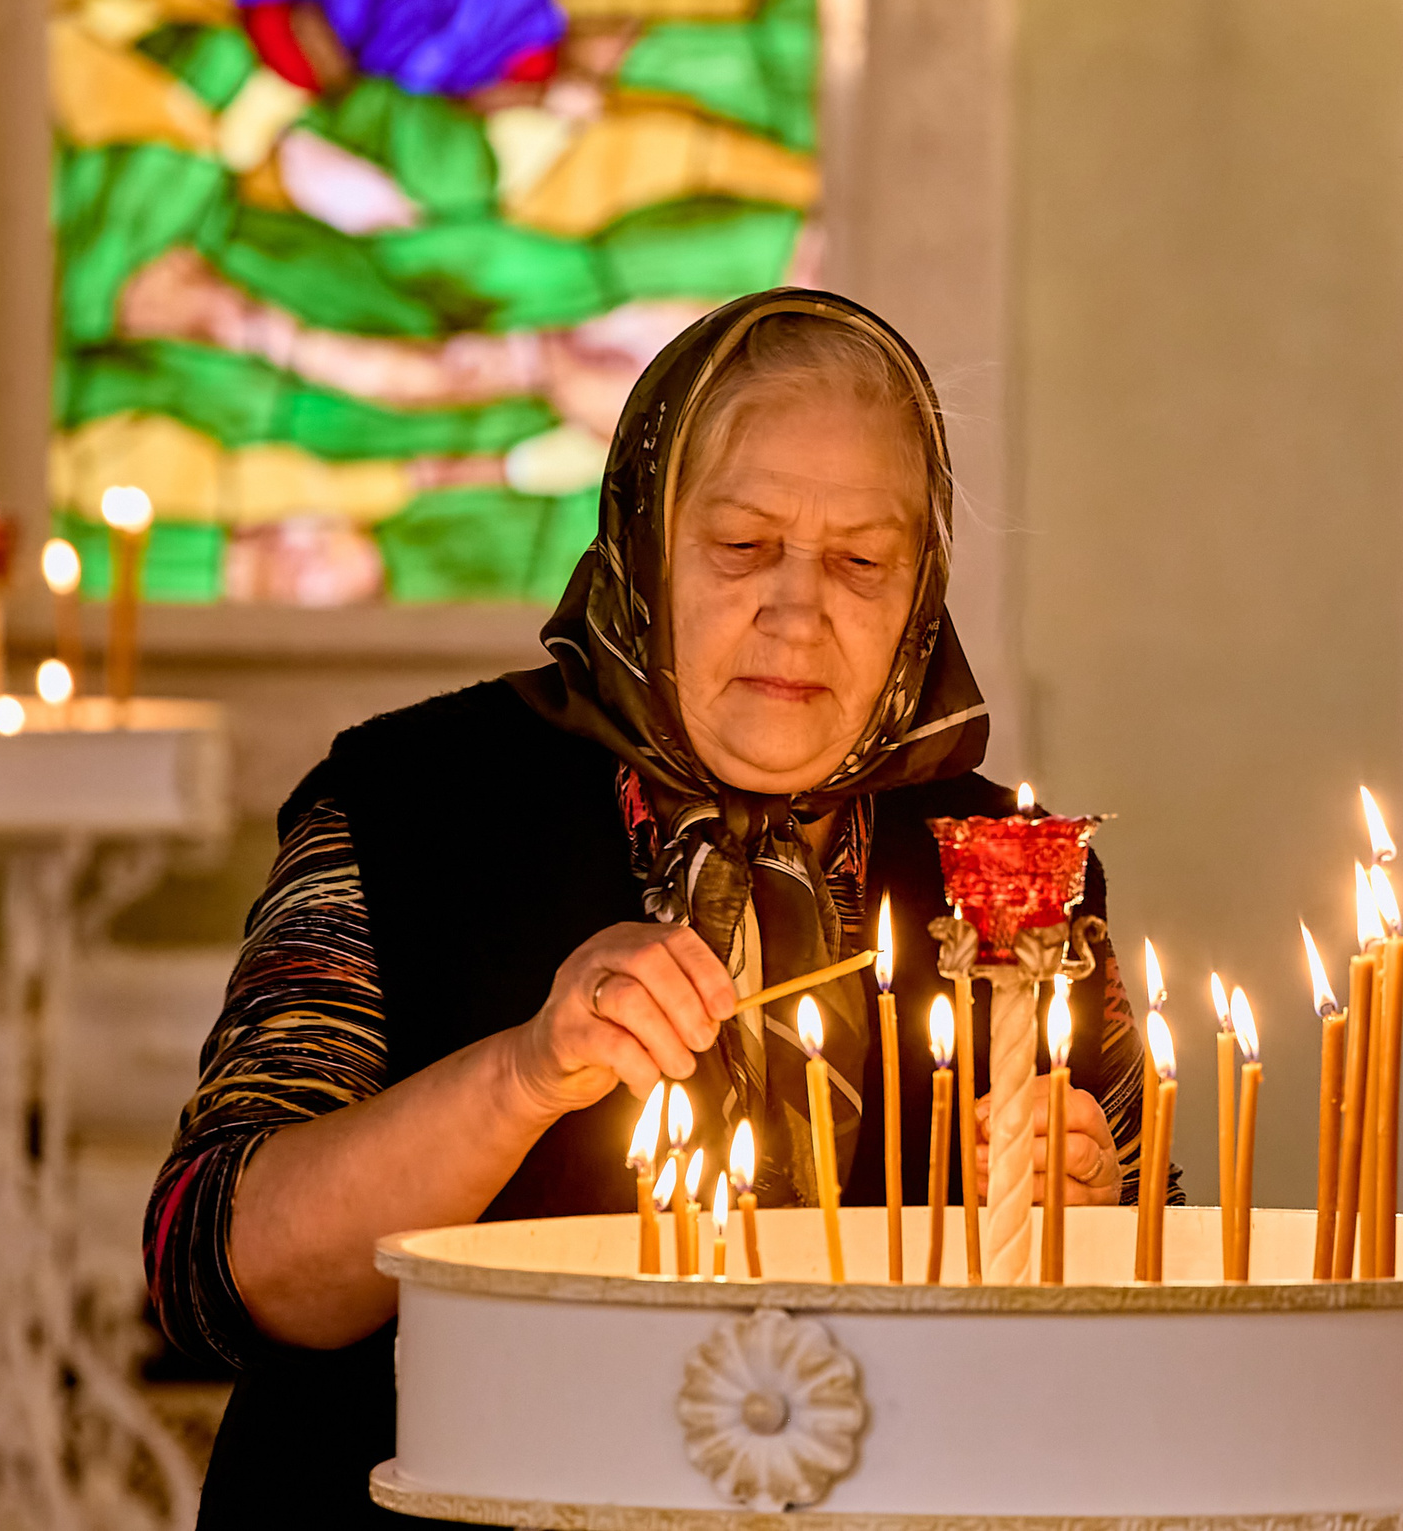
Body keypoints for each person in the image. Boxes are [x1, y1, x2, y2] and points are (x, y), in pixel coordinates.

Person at [145, 289, 1172, 1527]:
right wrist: (523, 1074)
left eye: (860, 562)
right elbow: (215, 1272)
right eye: (740, 547)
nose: (798, 612)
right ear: (640, 543)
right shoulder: (407, 804)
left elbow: (1148, 1330)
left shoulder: (1008, 866)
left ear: (922, 588)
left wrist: (1089, 1227)